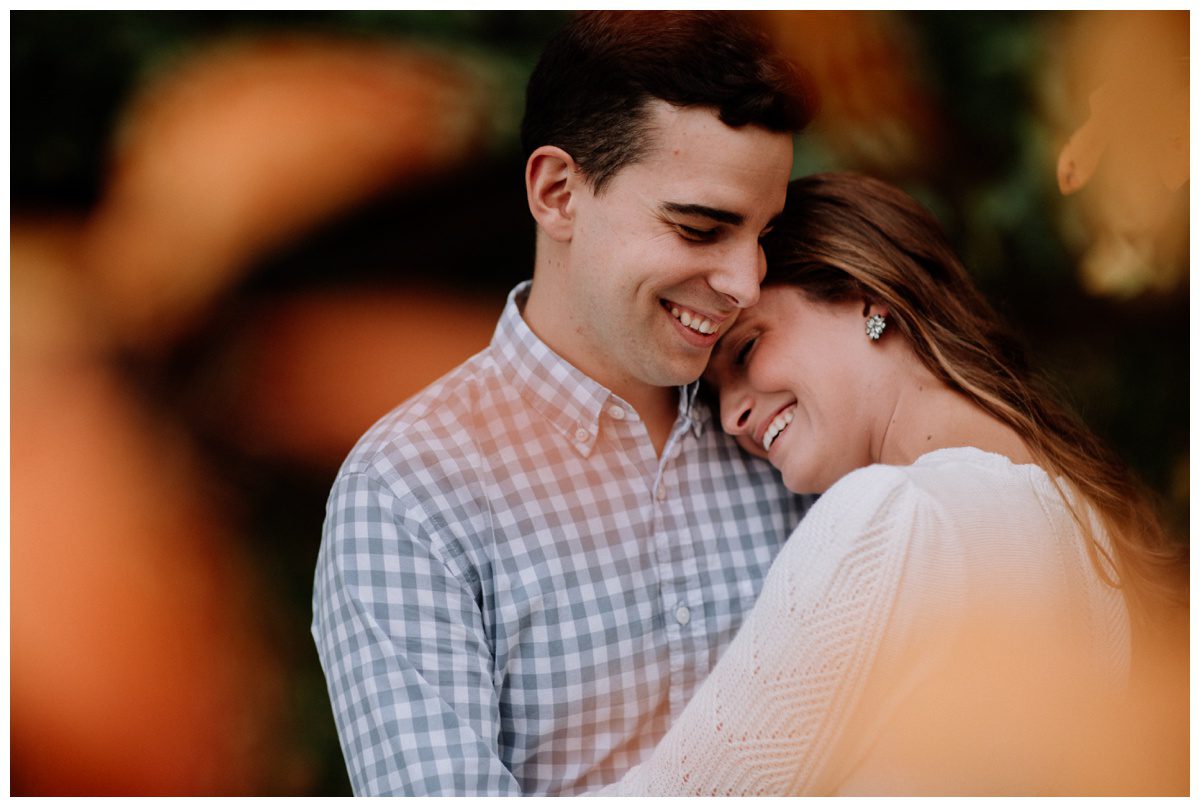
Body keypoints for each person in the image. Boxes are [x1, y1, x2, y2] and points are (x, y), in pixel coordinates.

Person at [311, 11, 814, 796]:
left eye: (762, 233)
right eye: (699, 228)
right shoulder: (408, 490)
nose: (745, 282)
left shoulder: (787, 431)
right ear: (557, 192)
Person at [603, 172, 1188, 795]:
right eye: (717, 395)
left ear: (869, 297)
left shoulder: (890, 517)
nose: (730, 416)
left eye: (745, 351)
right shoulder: (1088, 534)